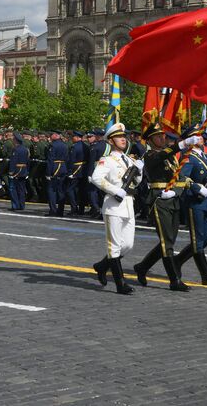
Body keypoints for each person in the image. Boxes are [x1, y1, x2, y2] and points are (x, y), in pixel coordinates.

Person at [132, 124, 190, 292]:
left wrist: (178, 191)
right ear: (149, 140)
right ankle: (174, 280)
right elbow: (162, 156)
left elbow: (179, 177)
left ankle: (142, 267)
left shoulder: (171, 157)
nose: (162, 138)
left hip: (172, 199)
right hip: (159, 200)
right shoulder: (149, 155)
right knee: (166, 242)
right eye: (157, 136)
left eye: (163, 136)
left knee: (169, 240)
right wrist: (181, 145)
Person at [90, 123, 141, 295]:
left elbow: (137, 183)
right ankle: (120, 284)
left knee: (127, 245)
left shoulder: (129, 160)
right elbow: (96, 178)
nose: (123, 139)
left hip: (128, 204)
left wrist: (139, 172)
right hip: (113, 205)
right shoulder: (108, 160)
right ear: (111, 141)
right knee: (114, 246)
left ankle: (102, 266)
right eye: (119, 137)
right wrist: (114, 189)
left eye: (124, 137)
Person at [173, 128, 207, 286]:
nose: (201, 138)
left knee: (205, 239)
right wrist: (196, 187)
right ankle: (206, 275)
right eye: (197, 136)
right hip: (194, 201)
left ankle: (177, 260)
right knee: (197, 240)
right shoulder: (188, 157)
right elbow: (181, 178)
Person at [7, 131, 29, 210]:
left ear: (16, 140)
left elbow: (13, 161)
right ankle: (22, 205)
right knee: (21, 189)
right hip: (23, 170)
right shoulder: (25, 149)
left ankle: (15, 205)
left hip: (16, 171)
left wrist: (11, 171)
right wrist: (27, 171)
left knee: (13, 189)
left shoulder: (16, 149)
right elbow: (27, 161)